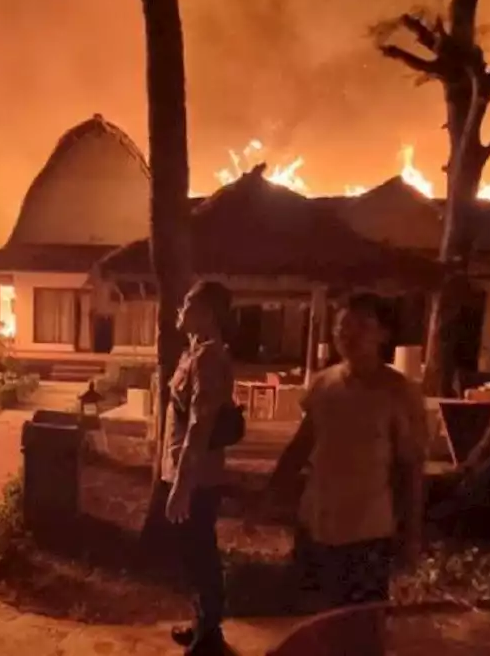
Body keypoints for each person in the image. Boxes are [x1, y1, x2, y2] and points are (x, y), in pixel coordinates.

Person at [265, 291, 427, 611]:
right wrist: (273, 490)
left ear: (383, 334)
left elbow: (410, 468)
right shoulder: (324, 384)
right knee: (313, 620)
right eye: (342, 326)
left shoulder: (399, 392)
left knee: (358, 626)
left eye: (362, 326)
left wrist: (411, 535)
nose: (349, 334)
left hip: (367, 532)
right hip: (316, 524)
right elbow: (302, 444)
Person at [163, 279, 236, 655]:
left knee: (201, 551)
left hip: (198, 477)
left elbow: (199, 424)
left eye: (189, 302)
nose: (181, 306)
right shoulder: (192, 353)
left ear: (207, 313)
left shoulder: (209, 357)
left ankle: (210, 635)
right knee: (191, 550)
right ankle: (201, 623)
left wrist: (182, 485)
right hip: (185, 472)